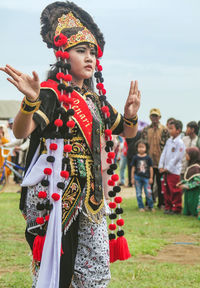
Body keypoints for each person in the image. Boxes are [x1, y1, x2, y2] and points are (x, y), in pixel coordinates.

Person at [0, 2, 141, 288]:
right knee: (59, 270)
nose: (89, 58)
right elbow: (22, 130)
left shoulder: (95, 100)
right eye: (81, 51)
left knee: (93, 270)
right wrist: (29, 102)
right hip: (57, 195)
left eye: (92, 53)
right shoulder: (51, 93)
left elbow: (126, 131)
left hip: (92, 194)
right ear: (62, 54)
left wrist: (131, 113)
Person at [141, 108, 169, 208]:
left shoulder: (164, 130)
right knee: (149, 184)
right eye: (152, 116)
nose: (154, 118)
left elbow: (167, 146)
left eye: (156, 116)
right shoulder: (145, 130)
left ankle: (161, 203)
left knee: (161, 184)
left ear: (159, 117)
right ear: (150, 117)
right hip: (148, 161)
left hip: (161, 161)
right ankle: (149, 202)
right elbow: (142, 145)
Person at [159, 120, 185, 214]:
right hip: (165, 170)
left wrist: (168, 168)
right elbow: (163, 154)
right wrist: (161, 166)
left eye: (171, 128)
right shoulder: (169, 141)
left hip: (174, 171)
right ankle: (168, 207)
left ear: (178, 130)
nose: (169, 130)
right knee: (166, 190)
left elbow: (177, 157)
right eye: (169, 128)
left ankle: (176, 208)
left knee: (175, 190)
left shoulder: (180, 143)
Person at [131, 140, 154, 212]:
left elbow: (151, 168)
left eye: (143, 147)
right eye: (139, 147)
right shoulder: (135, 158)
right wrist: (132, 178)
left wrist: (151, 177)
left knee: (148, 193)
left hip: (146, 178)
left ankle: (151, 206)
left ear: (146, 148)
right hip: (137, 178)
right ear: (137, 148)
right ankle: (141, 206)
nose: (141, 149)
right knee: (138, 193)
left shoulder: (148, 158)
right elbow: (133, 168)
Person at [177, 147, 200, 217]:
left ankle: (195, 213)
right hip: (189, 192)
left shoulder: (196, 168)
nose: (186, 156)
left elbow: (197, 182)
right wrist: (182, 183)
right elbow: (188, 179)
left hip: (194, 192)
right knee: (188, 202)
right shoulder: (190, 166)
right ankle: (188, 212)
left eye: (187, 154)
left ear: (192, 155)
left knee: (192, 202)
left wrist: (187, 186)